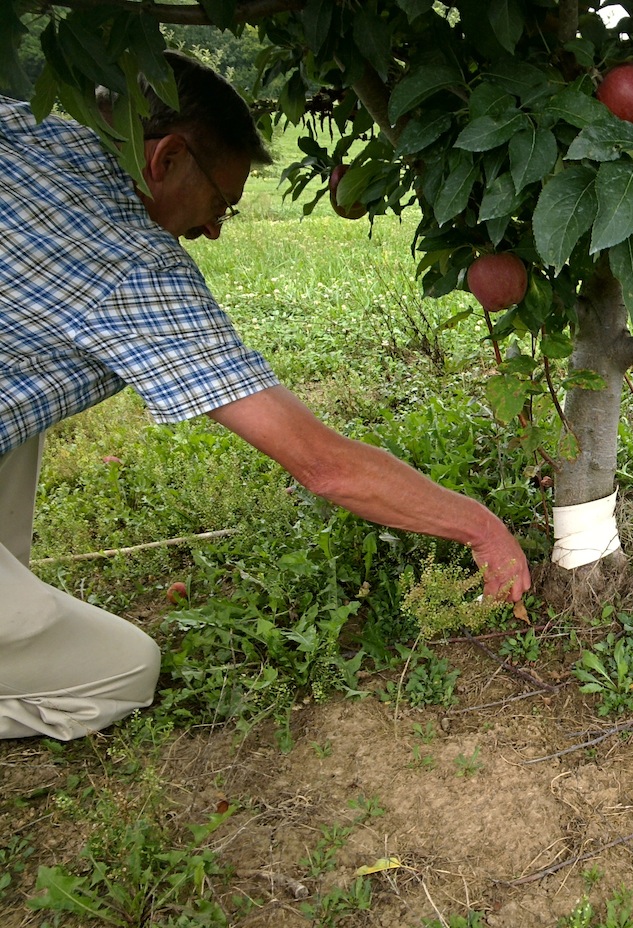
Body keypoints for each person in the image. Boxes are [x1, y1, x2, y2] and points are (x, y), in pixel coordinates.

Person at [0, 52, 531, 742]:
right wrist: (480, 526)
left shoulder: (25, 129)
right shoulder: (131, 265)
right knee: (121, 671)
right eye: (220, 202)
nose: (215, 231)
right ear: (165, 160)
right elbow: (323, 463)